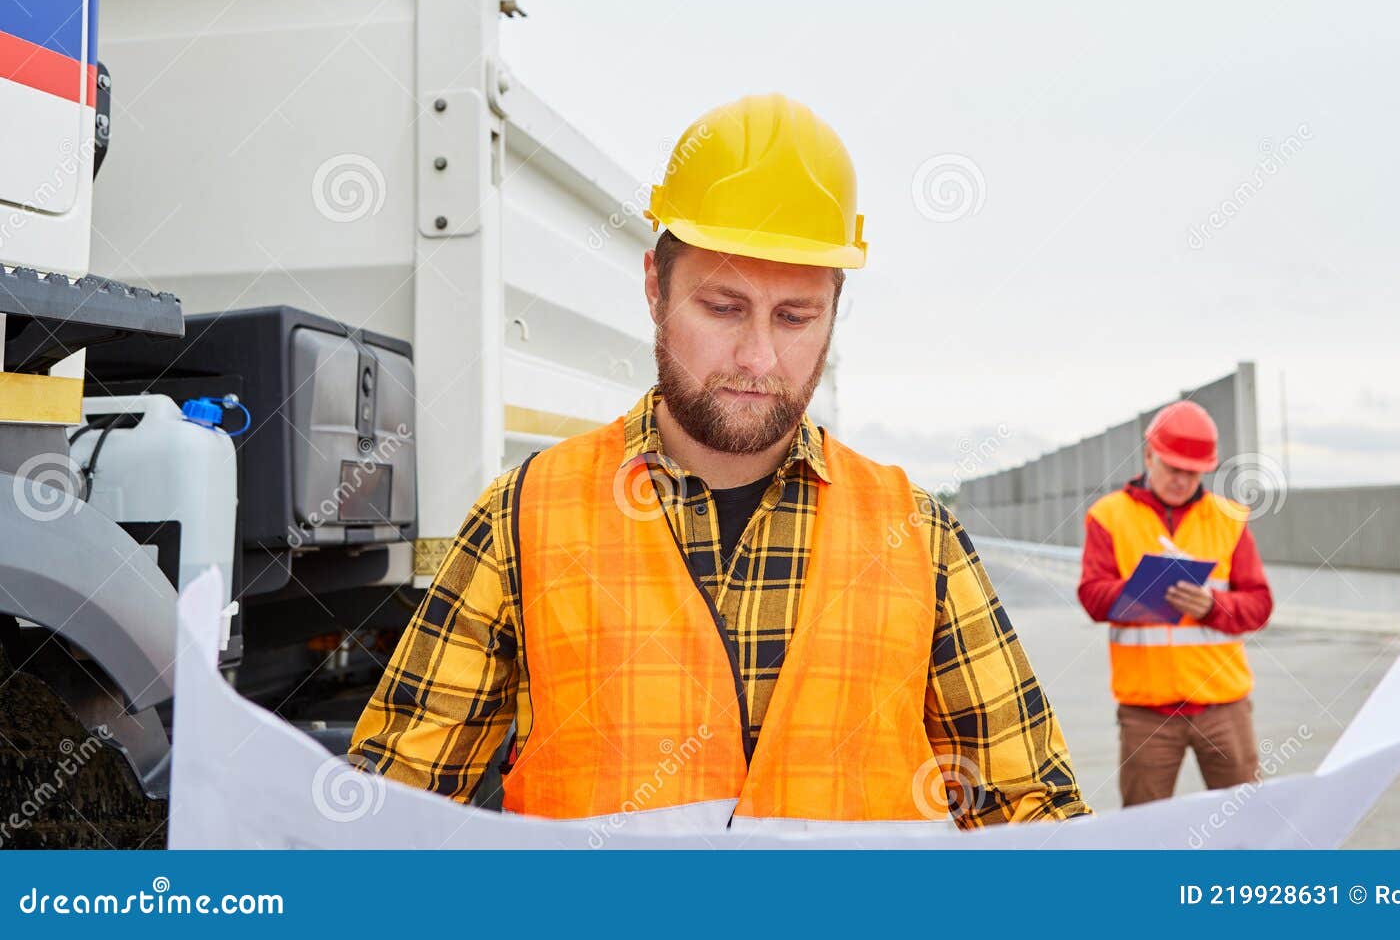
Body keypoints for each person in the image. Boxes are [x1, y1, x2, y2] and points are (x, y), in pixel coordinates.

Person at [350, 93, 1089, 830]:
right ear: (653, 287)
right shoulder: (524, 515)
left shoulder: (918, 535)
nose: (758, 357)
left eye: (795, 317)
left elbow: (1034, 816)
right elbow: (389, 811)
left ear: (835, 310)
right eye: (723, 308)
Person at [1076, 400, 1273, 806]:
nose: (1182, 480)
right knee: (1144, 836)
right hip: (1146, 712)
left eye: (1192, 471)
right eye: (1172, 468)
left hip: (1223, 706)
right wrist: (1145, 592)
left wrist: (1211, 606)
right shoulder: (1108, 516)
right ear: (1149, 455)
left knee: (1247, 828)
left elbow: (1259, 605)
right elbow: (1092, 597)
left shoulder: (1229, 518)